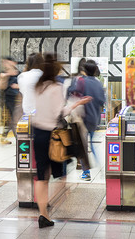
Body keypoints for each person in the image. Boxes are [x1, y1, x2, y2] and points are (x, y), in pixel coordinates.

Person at [32, 53, 91, 228]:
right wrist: (76, 104)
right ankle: (48, 206)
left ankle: (43, 213)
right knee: (59, 175)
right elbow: (61, 112)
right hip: (52, 135)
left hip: (38, 133)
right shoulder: (55, 87)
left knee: (41, 176)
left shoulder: (38, 86)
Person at [81, 60, 106, 166]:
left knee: (82, 146)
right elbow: (102, 101)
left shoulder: (82, 81)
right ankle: (99, 164)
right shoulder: (98, 83)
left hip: (83, 118)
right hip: (94, 118)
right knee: (91, 141)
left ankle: (86, 171)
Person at [0, 57, 20, 144]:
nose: (5, 64)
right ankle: (18, 139)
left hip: (19, 99)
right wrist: (5, 77)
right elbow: (0, 87)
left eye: (7, 62)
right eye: (4, 62)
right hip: (8, 100)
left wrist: (18, 86)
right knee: (12, 120)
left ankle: (4, 138)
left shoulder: (19, 74)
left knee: (11, 121)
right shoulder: (3, 74)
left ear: (14, 63)